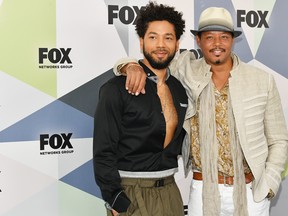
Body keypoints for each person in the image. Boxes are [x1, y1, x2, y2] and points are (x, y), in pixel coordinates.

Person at [114, 7, 288, 216]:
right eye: (209, 37)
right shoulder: (184, 69)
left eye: (224, 37)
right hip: (203, 190)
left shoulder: (261, 80)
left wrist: (269, 184)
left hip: (252, 193)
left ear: (232, 40)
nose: (217, 44)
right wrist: (128, 65)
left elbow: (279, 140)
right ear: (198, 41)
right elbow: (152, 62)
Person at [93, 2, 188, 216]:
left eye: (168, 38)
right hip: (131, 192)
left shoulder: (180, 89)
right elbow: (103, 150)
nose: (160, 45)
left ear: (177, 43)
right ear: (141, 41)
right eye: (153, 37)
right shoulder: (116, 88)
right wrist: (116, 200)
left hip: (171, 192)